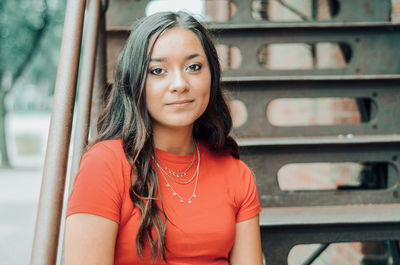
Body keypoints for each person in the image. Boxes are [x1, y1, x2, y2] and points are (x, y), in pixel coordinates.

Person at [65, 11, 263, 265]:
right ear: (135, 82)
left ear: (212, 76)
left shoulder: (236, 173)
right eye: (158, 71)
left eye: (194, 67)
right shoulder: (105, 165)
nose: (179, 84)